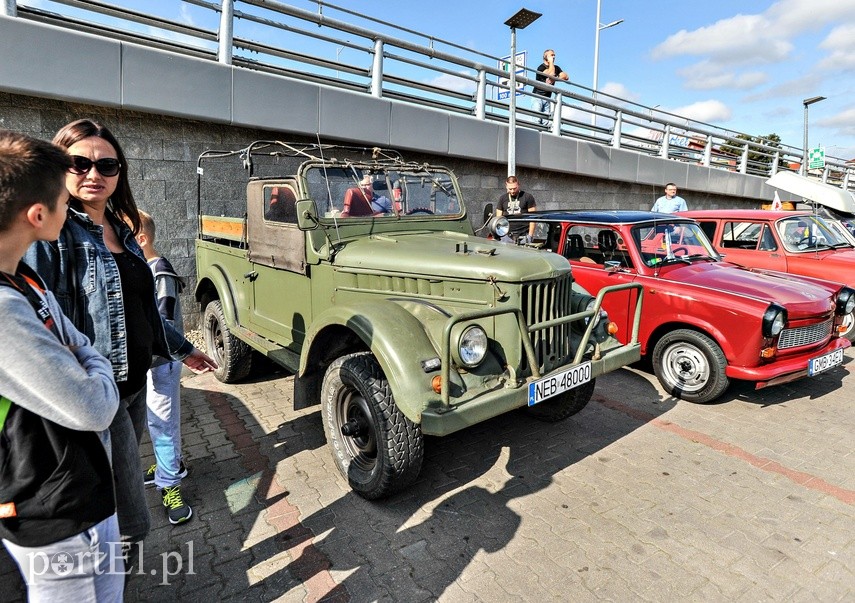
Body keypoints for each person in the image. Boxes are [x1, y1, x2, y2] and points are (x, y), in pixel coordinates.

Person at [23, 119, 216, 569]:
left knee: (118, 513)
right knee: (120, 517)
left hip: (130, 389)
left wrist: (181, 347)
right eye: (81, 162)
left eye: (107, 164)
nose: (95, 173)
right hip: (89, 402)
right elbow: (35, 328)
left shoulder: (122, 231)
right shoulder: (52, 234)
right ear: (60, 166)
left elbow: (141, 310)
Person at [0, 129, 124, 600]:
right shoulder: (5, 307)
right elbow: (93, 406)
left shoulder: (24, 279)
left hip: (79, 487)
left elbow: (80, 342)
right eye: (61, 193)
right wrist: (95, 370)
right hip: (50, 509)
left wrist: (85, 362)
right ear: (38, 215)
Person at [134, 211, 192, 525]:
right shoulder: (142, 269)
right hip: (149, 363)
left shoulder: (160, 272)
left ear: (141, 239)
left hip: (162, 364)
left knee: (163, 425)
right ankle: (167, 464)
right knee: (158, 423)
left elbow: (164, 323)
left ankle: (170, 486)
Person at [532, 49, 569, 126]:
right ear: (545, 57)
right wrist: (551, 62)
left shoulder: (556, 68)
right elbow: (550, 73)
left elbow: (566, 76)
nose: (554, 56)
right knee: (537, 120)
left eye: (554, 55)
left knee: (546, 122)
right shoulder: (541, 67)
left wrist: (554, 77)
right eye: (551, 55)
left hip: (547, 98)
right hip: (537, 97)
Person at [495, 175, 537, 242]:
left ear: (518, 185)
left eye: (514, 188)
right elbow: (498, 218)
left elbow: (533, 218)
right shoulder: (502, 198)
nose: (512, 191)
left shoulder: (527, 197)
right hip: (506, 236)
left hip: (523, 235)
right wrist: (501, 234)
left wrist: (530, 235)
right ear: (506, 186)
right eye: (510, 189)